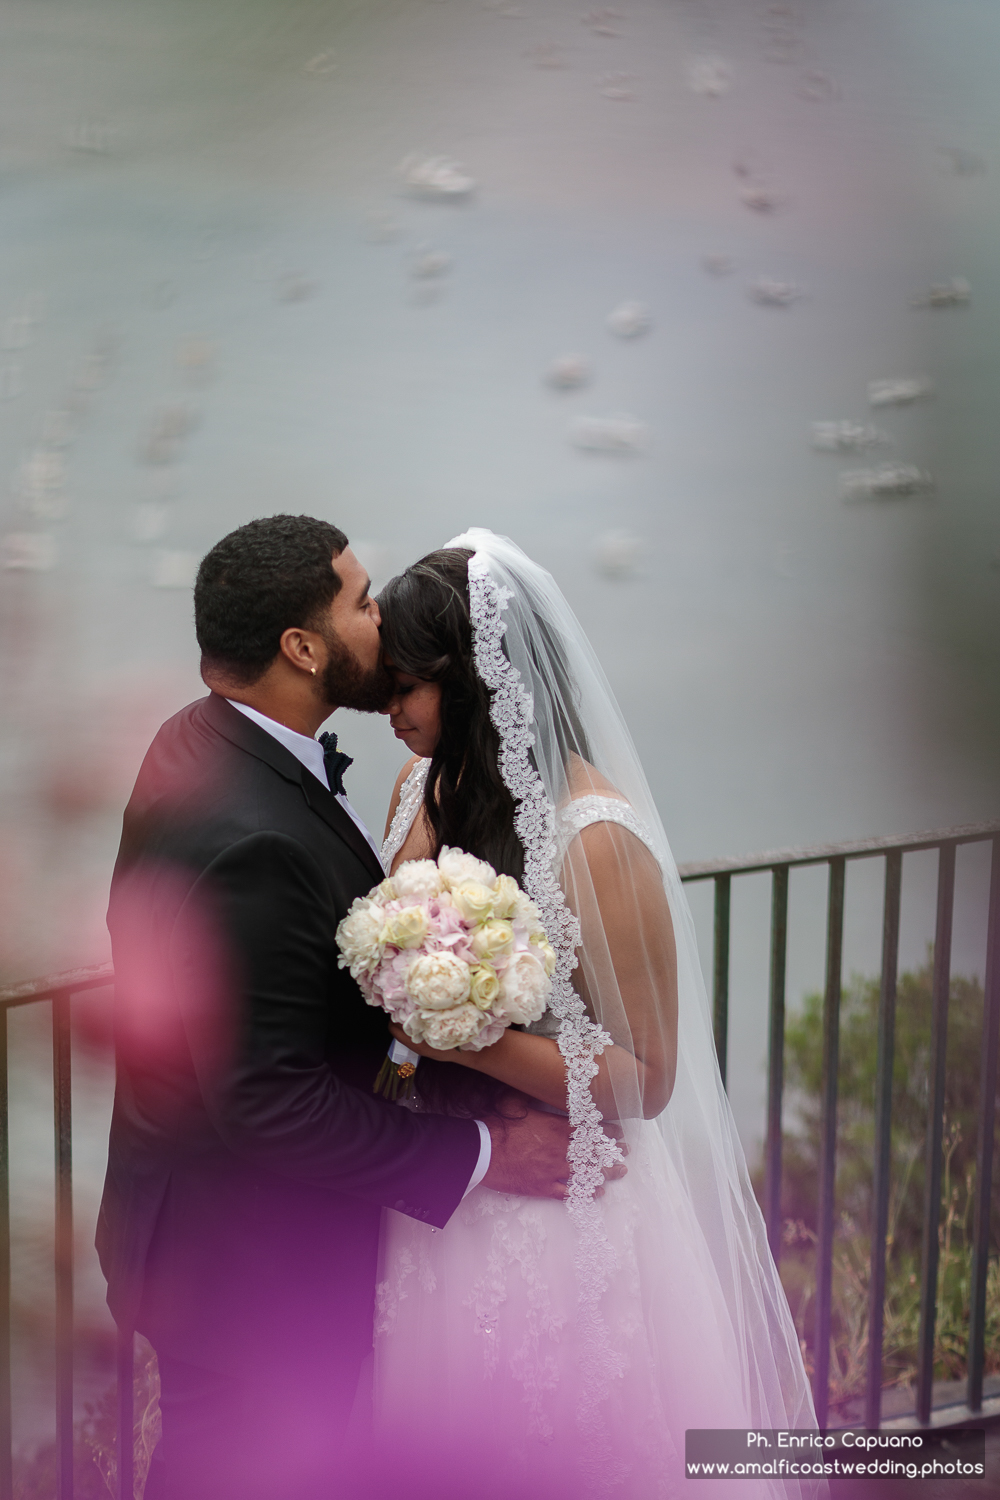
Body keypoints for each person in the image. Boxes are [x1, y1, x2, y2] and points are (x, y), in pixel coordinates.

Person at [97, 515, 587, 1500]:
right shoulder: (257, 840)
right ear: (303, 647)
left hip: (195, 1234)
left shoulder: (196, 741)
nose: (382, 620)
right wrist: (485, 1156)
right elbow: (268, 1100)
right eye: (361, 602)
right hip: (250, 1274)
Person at [372, 529, 823, 1500]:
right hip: (439, 1196)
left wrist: (467, 1039)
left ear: (474, 680)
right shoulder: (418, 783)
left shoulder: (597, 839)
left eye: (406, 688)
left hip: (561, 1212)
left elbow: (646, 1081)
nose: (391, 714)